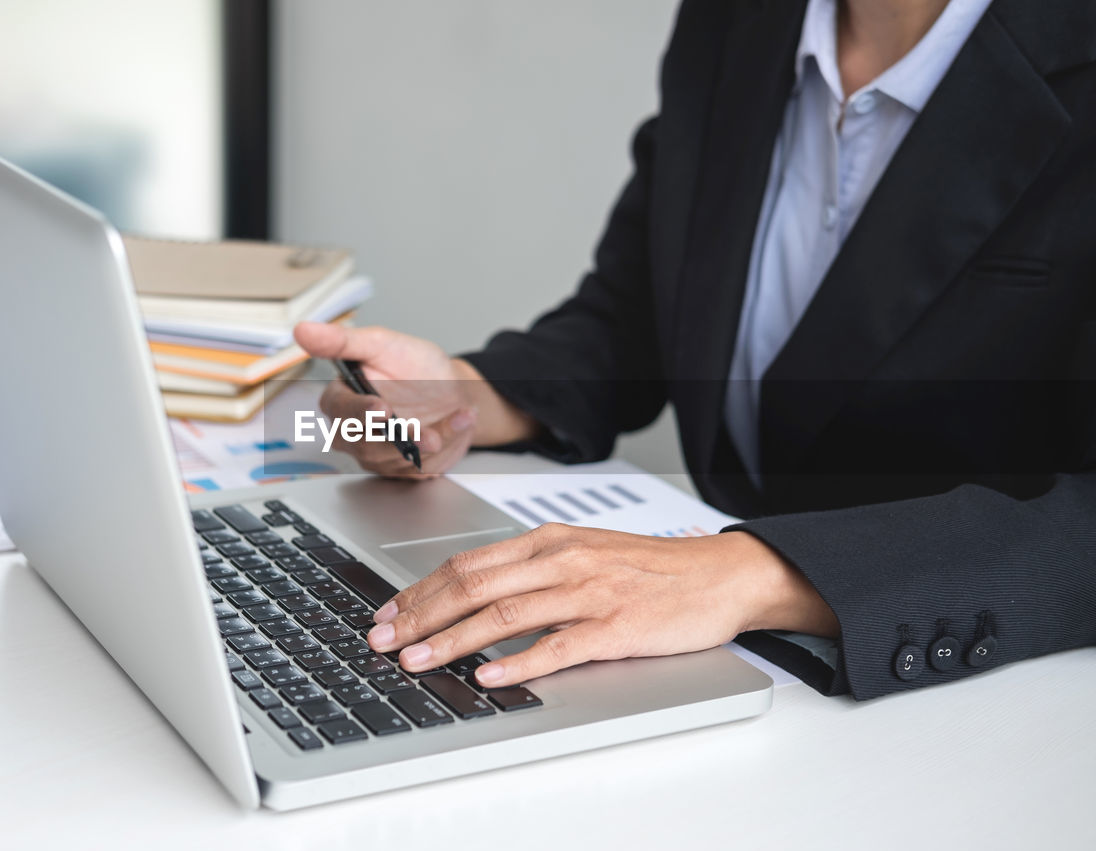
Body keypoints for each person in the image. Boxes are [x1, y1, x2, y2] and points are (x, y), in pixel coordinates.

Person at [293, 0, 1096, 700]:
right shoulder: (736, 19)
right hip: (730, 658)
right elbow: (638, 314)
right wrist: (466, 395)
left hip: (970, 699)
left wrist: (751, 571)